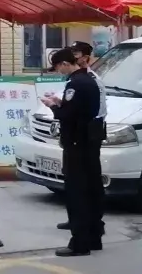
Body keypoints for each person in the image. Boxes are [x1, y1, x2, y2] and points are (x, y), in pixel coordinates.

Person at [41, 47, 104, 257]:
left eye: (59, 68)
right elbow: (82, 108)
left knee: (77, 193)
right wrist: (62, 103)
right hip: (91, 141)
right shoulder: (91, 80)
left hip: (77, 143)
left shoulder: (75, 83)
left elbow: (67, 115)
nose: (59, 72)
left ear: (65, 64)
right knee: (92, 190)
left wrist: (52, 106)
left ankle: (79, 243)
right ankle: (94, 237)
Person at [57, 42, 107, 238]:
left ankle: (90, 226)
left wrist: (59, 109)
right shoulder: (77, 79)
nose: (73, 56)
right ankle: (80, 222)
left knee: (85, 183)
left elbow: (98, 111)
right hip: (79, 134)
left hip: (87, 135)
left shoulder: (90, 79)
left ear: (85, 57)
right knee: (77, 182)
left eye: (76, 53)